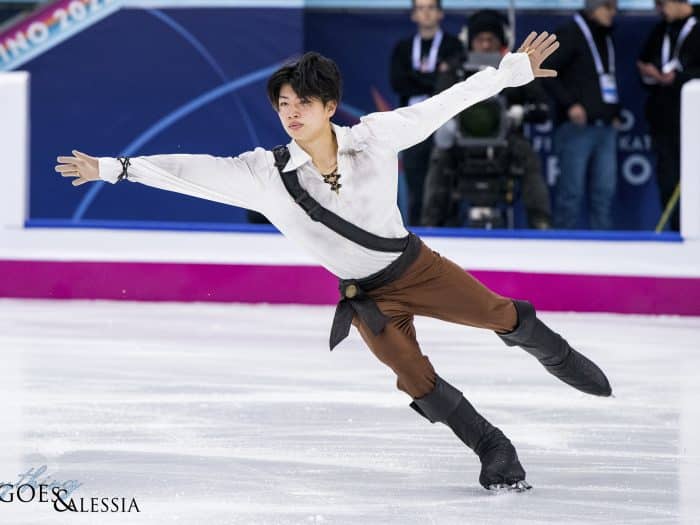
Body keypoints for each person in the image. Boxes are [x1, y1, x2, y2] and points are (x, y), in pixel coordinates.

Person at [56, 34, 613, 492]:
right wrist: (115, 168)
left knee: (498, 315)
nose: (291, 113)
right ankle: (492, 447)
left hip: (416, 267)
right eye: (283, 104)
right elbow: (192, 171)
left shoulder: (374, 138)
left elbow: (442, 105)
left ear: (328, 106)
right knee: (413, 378)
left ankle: (553, 351)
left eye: (302, 102)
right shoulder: (263, 175)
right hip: (366, 298)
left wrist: (508, 73)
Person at [421, 10, 552, 229]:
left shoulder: (515, 68)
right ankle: (431, 226)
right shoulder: (455, 68)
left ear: (502, 41)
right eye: (479, 39)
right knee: (439, 158)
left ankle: (541, 224)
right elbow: (436, 104)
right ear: (469, 42)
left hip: (505, 141)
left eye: (491, 39)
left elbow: (543, 108)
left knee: (528, 157)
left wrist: (521, 113)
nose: (485, 45)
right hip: (461, 142)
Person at [542, 0, 621, 230]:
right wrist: (570, 104)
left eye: (615, 8)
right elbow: (546, 70)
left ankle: (604, 246)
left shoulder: (605, 35)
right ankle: (561, 245)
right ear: (593, 8)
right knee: (571, 193)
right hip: (577, 128)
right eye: (608, 7)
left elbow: (604, 78)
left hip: (605, 126)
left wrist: (613, 112)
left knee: (604, 192)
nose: (613, 13)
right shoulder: (571, 33)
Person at [390, 0, 464, 225]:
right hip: (413, 122)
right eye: (421, 8)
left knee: (447, 180)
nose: (426, 13)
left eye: (431, 8)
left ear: (440, 13)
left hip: (444, 121)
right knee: (416, 181)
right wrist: (435, 78)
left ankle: (450, 232)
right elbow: (398, 82)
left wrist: (417, 77)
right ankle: (417, 233)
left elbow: (453, 83)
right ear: (414, 15)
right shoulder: (403, 48)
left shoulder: (453, 46)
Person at [638, 0, 700, 232]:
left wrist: (679, 78)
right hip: (665, 121)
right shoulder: (661, 29)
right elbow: (643, 61)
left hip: (695, 121)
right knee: (668, 180)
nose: (659, 10)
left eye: (662, 4)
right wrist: (650, 74)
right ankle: (676, 231)